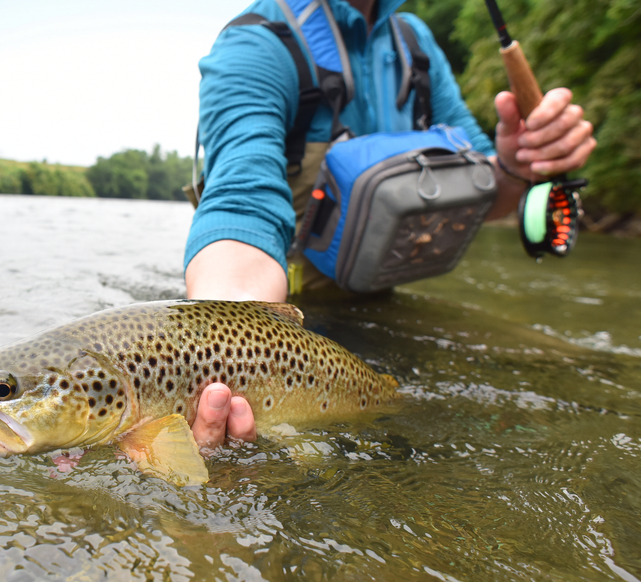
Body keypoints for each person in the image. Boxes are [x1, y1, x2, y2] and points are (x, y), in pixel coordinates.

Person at [184, 0, 596, 448]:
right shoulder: (256, 43)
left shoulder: (414, 42)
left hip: (381, 302)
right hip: (289, 318)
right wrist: (224, 354)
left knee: (573, 370)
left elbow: (482, 191)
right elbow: (243, 204)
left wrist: (515, 166)